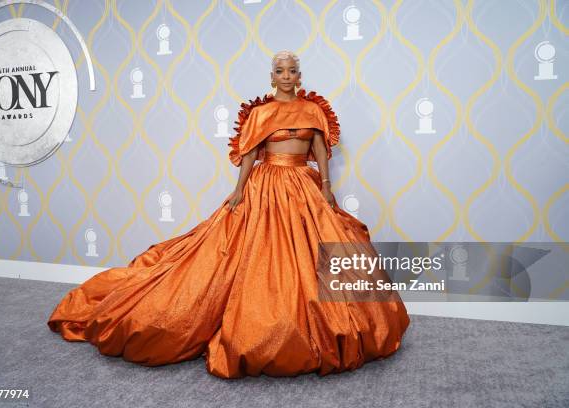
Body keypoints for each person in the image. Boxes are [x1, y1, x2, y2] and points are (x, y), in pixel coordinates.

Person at [47, 50, 410, 379]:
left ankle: (323, 326)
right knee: (253, 253)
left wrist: (327, 187)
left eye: (292, 70)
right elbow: (250, 154)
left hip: (304, 182)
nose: (286, 75)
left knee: (322, 251)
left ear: (299, 76)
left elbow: (320, 148)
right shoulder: (259, 113)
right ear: (272, 77)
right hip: (266, 184)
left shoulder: (314, 110)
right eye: (280, 70)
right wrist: (239, 191)